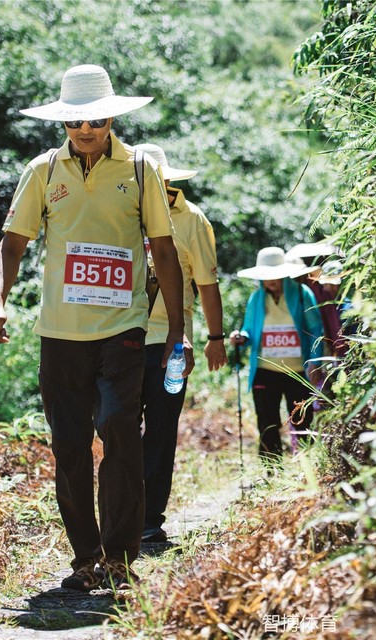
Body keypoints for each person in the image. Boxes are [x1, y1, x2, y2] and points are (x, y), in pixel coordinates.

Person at [0, 65, 188, 592]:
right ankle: (86, 559)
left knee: (120, 433)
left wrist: (176, 331)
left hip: (123, 329)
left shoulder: (140, 169)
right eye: (74, 121)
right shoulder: (44, 171)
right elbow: (12, 242)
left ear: (112, 116)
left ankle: (120, 560)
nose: (85, 130)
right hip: (60, 335)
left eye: (94, 119)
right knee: (69, 445)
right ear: (64, 122)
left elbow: (163, 250)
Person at [135, 143, 227, 546]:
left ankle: (148, 519)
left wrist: (215, 337)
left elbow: (207, 284)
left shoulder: (192, 221)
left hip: (173, 345)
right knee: (116, 427)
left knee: (160, 429)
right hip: (120, 337)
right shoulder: (122, 213)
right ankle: (123, 511)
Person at [228, 247, 324, 463]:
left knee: (302, 421)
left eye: (274, 276)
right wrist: (241, 337)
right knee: (267, 422)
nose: (269, 281)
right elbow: (249, 331)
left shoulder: (302, 294)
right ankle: (271, 471)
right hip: (265, 371)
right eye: (265, 277)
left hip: (297, 371)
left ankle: (306, 467)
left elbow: (316, 328)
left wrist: (316, 362)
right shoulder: (256, 298)